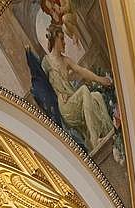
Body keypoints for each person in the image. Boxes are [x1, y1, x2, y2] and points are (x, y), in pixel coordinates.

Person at [41, 25, 115, 154]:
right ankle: (94, 140)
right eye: (62, 39)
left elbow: (82, 71)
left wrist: (100, 79)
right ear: (55, 39)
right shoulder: (46, 62)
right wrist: (57, 94)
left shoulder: (66, 60)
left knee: (96, 96)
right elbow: (44, 87)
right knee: (84, 90)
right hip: (66, 105)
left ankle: (109, 133)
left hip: (74, 98)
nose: (64, 42)